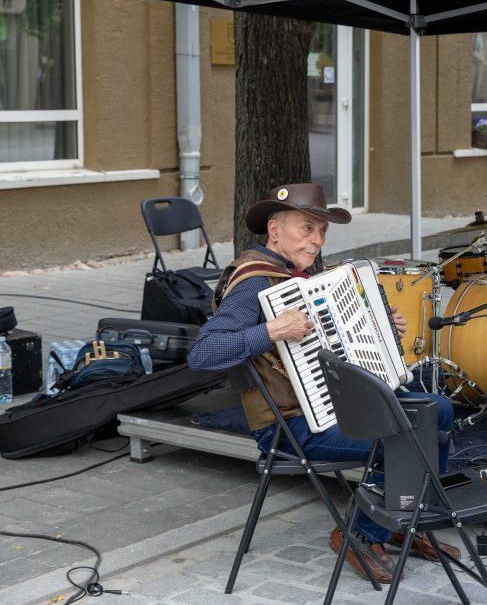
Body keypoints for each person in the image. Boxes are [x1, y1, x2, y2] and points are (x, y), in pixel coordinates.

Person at [187, 183, 459, 583]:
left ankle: (405, 522)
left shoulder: (301, 276)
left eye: (321, 231)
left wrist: (382, 326)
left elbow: (338, 346)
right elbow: (202, 354)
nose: (316, 240)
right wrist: (273, 330)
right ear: (274, 229)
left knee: (440, 409)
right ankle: (362, 536)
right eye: (307, 228)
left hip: (332, 406)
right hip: (288, 425)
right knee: (405, 434)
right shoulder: (252, 282)